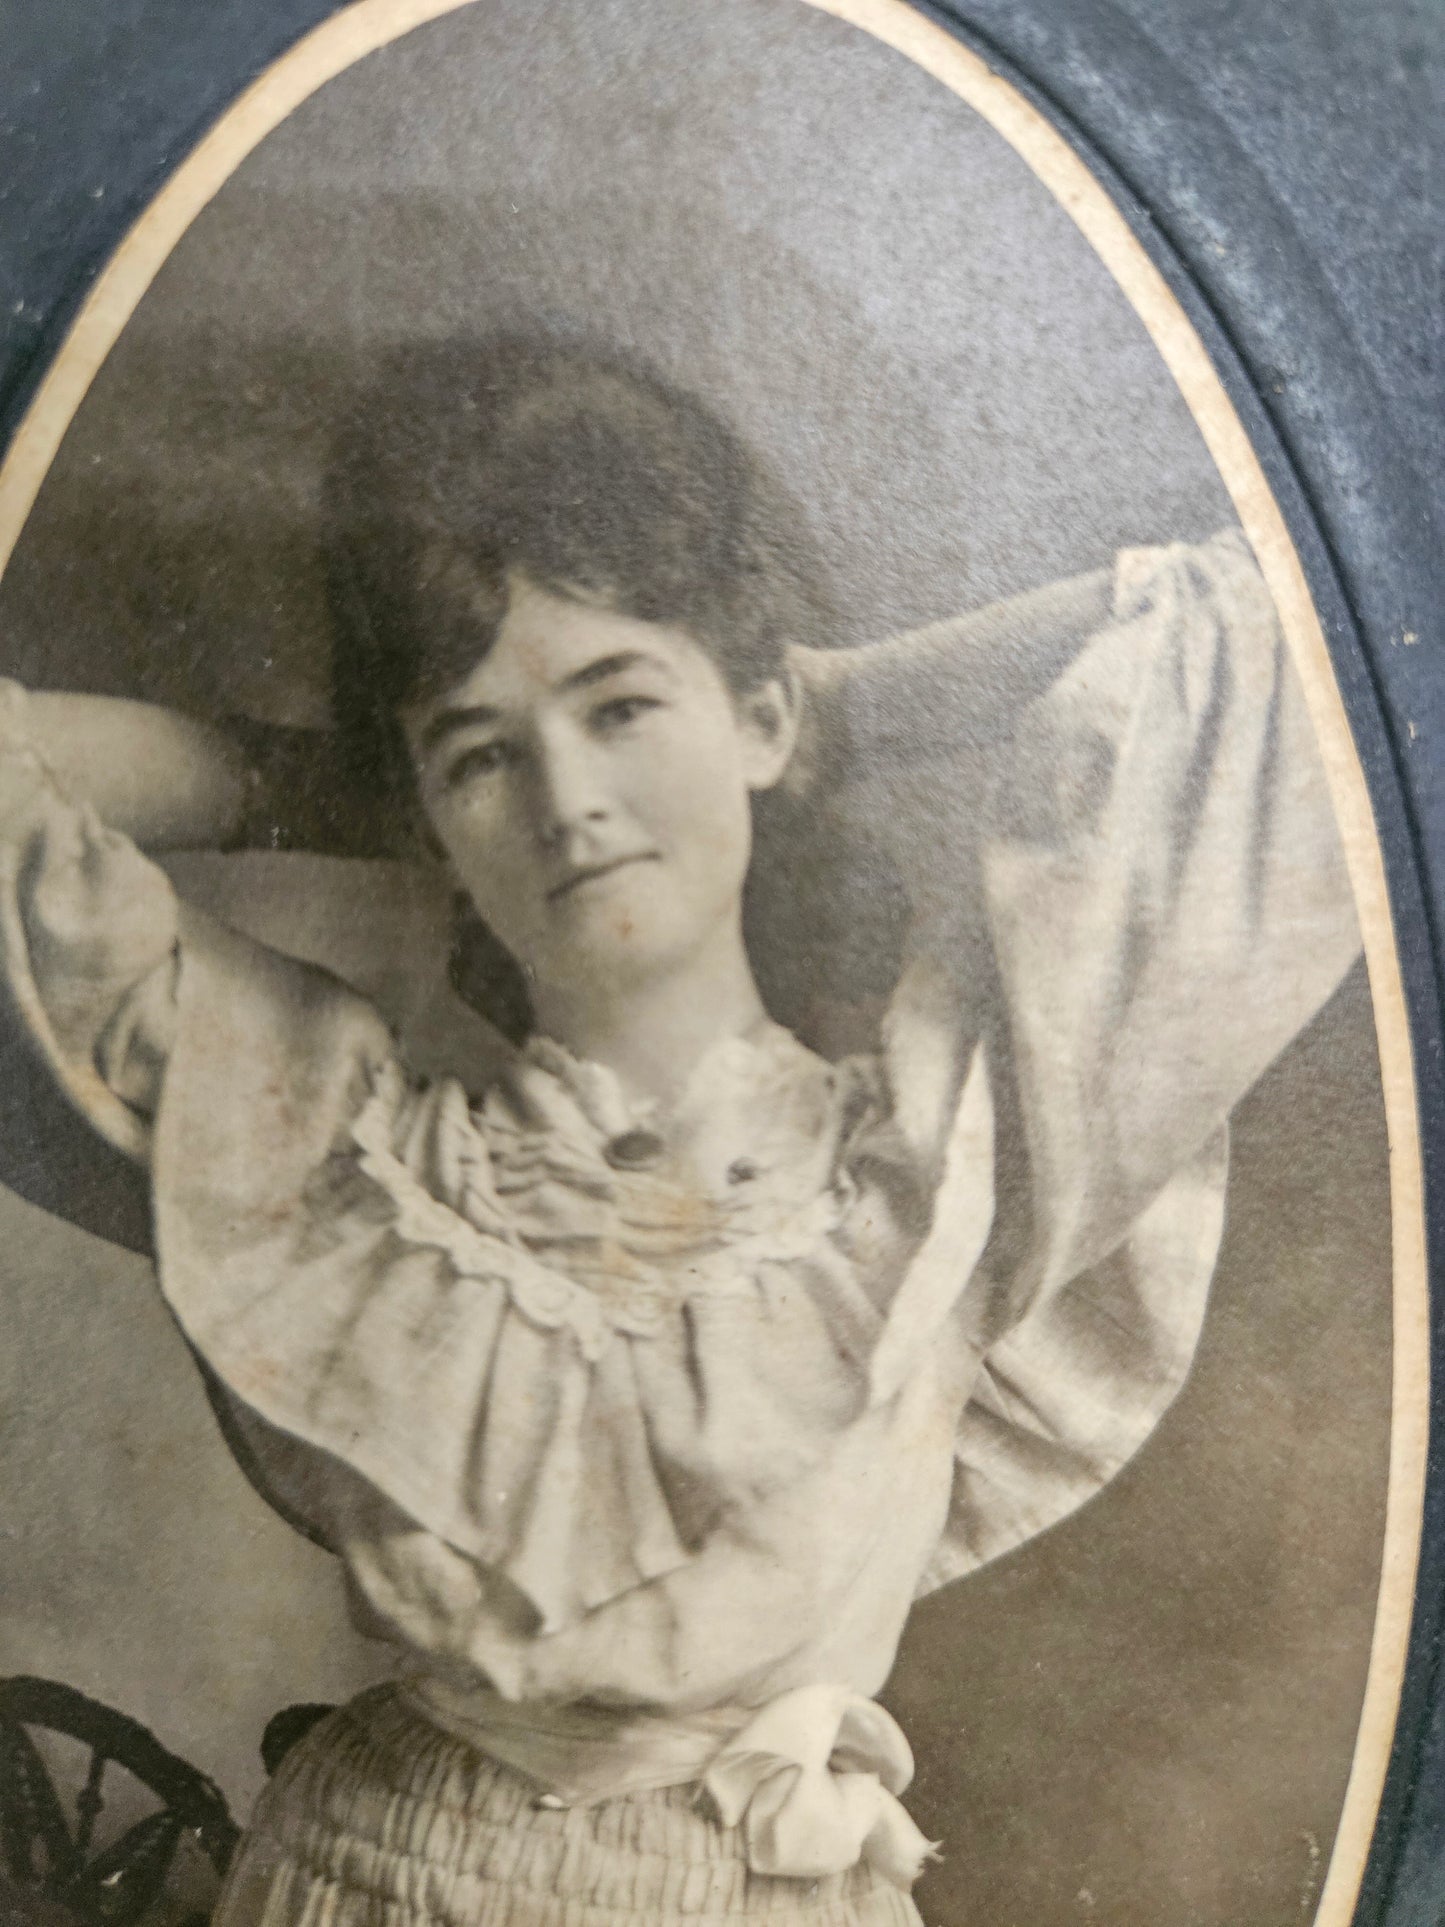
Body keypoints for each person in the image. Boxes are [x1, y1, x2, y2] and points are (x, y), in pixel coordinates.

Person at [0, 336, 1360, 1926]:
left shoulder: (923, 1180)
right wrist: (352, 787)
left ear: (760, 717)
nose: (568, 797)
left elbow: (1283, 628)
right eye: (484, 753)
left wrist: (837, 705)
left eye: (621, 703)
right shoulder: (357, 1167)